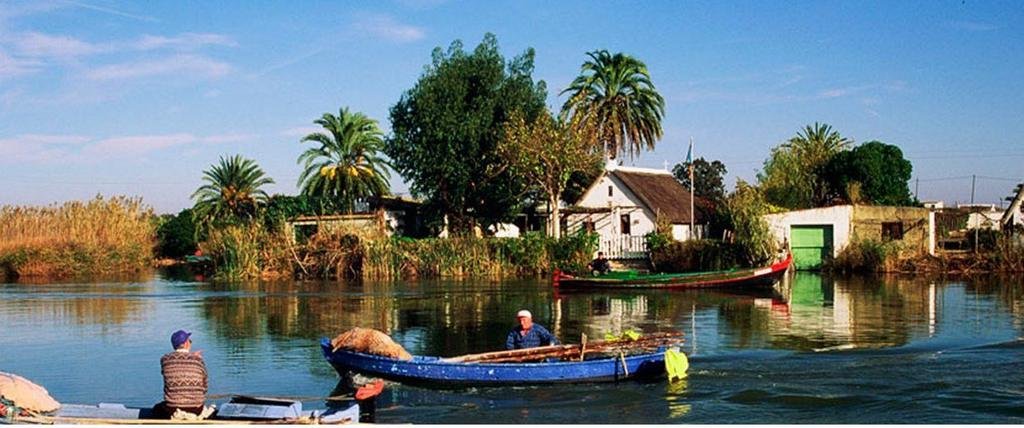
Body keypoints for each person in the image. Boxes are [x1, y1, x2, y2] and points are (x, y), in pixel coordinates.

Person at [154, 330, 208, 419]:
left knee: (157, 408)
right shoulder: (198, 360)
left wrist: (191, 356)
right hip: (197, 409)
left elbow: (176, 363)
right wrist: (194, 358)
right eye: (190, 341)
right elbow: (205, 386)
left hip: (172, 408)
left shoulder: (165, 359)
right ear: (186, 343)